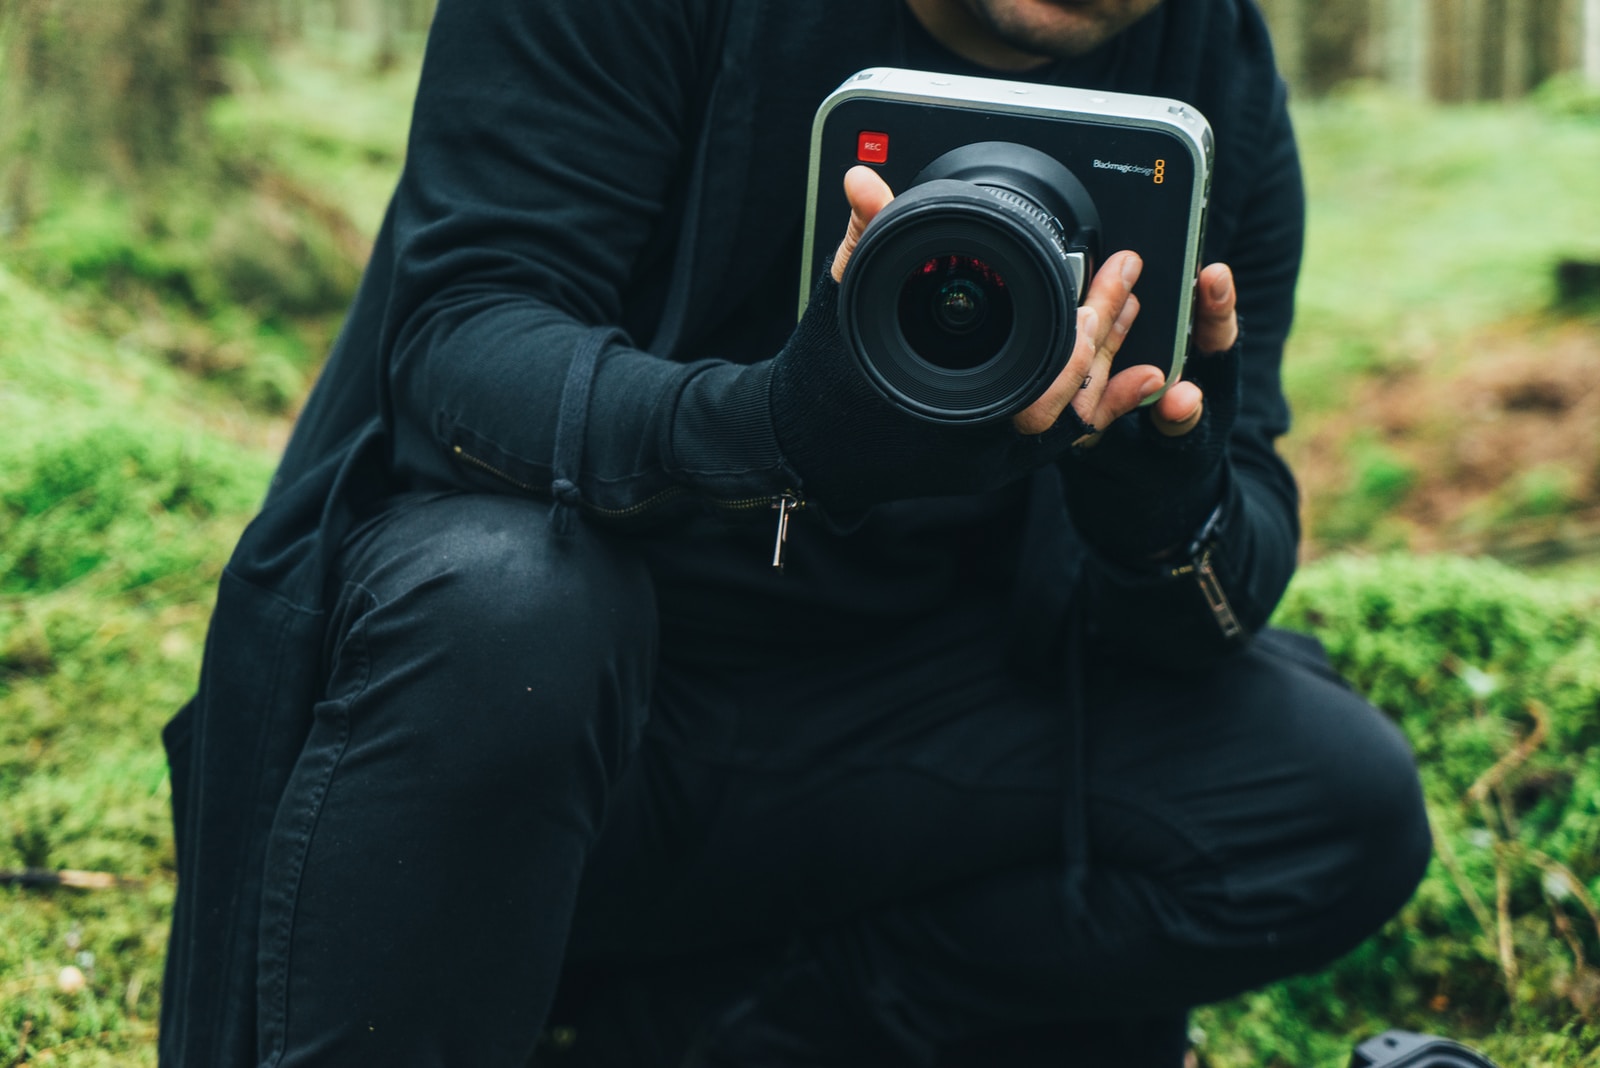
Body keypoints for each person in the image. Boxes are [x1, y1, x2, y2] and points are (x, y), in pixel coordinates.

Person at [158, 0, 1434, 1065]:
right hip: (530, 711)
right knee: (506, 603)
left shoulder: (1206, 75)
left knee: (1328, 797)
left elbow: (1234, 555)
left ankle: (703, 1033)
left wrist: (1158, 474)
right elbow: (460, 344)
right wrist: (779, 426)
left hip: (895, 728)